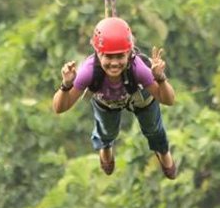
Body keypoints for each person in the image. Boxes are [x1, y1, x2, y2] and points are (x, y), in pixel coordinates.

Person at [52, 17, 177, 179]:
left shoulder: (138, 67)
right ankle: (105, 145)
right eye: (108, 57)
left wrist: (160, 79)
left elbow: (168, 100)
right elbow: (59, 107)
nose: (114, 63)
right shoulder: (89, 71)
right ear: (98, 53)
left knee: (153, 126)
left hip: (138, 96)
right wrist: (66, 85)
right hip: (107, 102)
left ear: (129, 53)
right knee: (106, 130)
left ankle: (162, 149)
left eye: (120, 57)